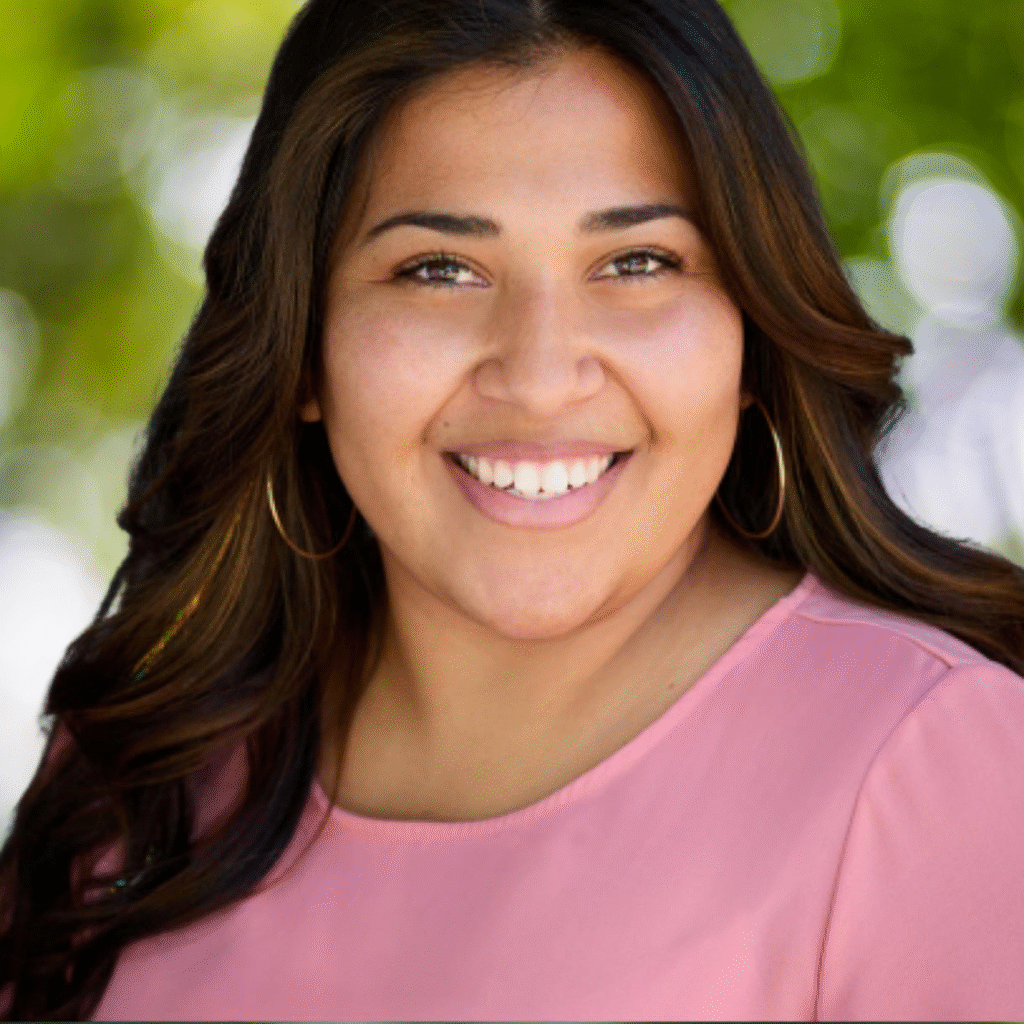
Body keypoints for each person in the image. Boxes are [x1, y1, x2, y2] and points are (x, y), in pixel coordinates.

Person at [3, 0, 1024, 1019]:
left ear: (751, 329)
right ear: (302, 342)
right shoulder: (136, 776)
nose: (538, 378)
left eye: (636, 263)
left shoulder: (935, 769)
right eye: (437, 270)